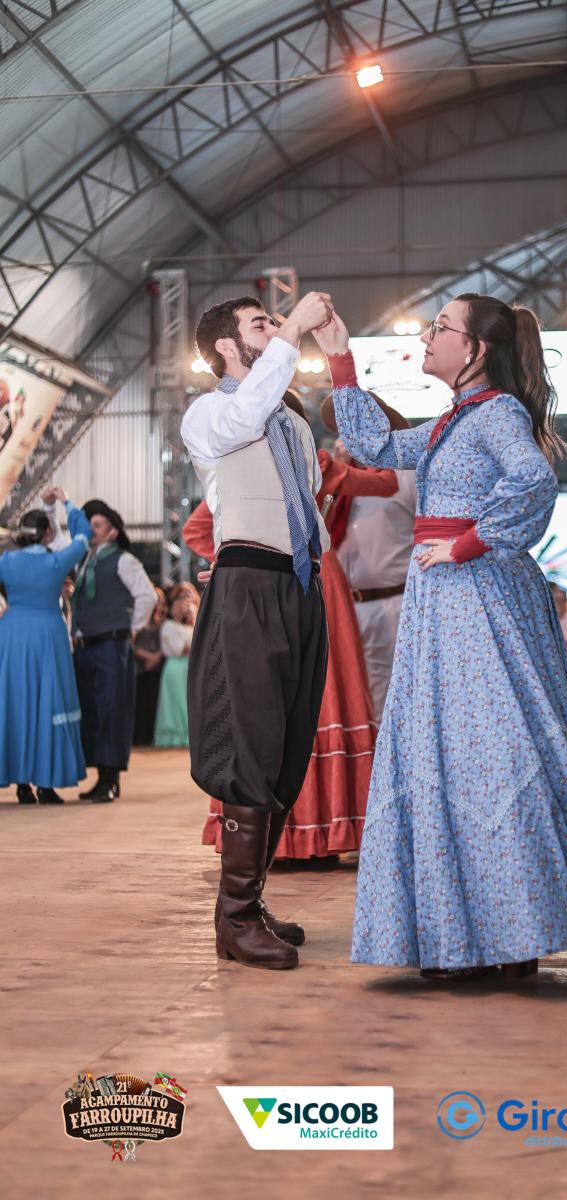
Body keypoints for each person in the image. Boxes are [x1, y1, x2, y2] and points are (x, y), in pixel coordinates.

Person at [313, 292, 567, 980]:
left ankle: (504, 933)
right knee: (455, 750)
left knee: (487, 749)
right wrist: (340, 358)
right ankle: (483, 934)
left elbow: (534, 482)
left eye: (440, 328)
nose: (427, 338)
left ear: (475, 349)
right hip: (448, 598)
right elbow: (375, 446)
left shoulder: (496, 414)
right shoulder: (452, 421)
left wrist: (467, 543)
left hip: (477, 595)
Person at [181, 292, 332, 970]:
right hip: (247, 583)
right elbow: (245, 416)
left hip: (299, 584)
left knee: (287, 748)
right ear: (225, 346)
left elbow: (308, 496)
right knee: (250, 743)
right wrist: (295, 331)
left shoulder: (291, 419)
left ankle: (252, 900)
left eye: (275, 321)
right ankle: (234, 917)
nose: (273, 330)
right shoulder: (209, 411)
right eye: (260, 324)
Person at [184, 389, 390, 861]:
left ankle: (266, 852)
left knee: (258, 702)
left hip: (260, 578)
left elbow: (196, 528)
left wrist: (231, 559)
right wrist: (361, 450)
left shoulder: (238, 463)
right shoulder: (316, 461)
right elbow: (384, 485)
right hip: (314, 575)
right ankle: (320, 835)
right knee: (317, 697)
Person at [320, 397, 417, 723]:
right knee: (351, 698)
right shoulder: (334, 482)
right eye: (343, 428)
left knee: (397, 694)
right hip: (344, 607)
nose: (347, 435)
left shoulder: (404, 474)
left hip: (395, 602)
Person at [0, 488, 90, 804]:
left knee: (15, 703)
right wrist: (66, 502)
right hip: (48, 635)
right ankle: (47, 784)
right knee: (49, 703)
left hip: (11, 635)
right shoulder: (57, 561)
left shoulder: (6, 561)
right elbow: (84, 533)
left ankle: (22, 784)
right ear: (48, 532)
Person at [71, 499, 156, 802]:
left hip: (111, 644)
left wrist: (130, 628)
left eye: (97, 525)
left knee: (111, 709)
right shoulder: (84, 561)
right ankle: (103, 776)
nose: (91, 530)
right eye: (89, 525)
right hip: (87, 646)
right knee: (93, 710)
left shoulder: (123, 560)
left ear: (112, 532)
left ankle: (110, 778)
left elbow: (147, 596)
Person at [153, 583, 198, 748]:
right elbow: (182, 648)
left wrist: (193, 620)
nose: (184, 605)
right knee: (177, 703)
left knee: (189, 702)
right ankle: (175, 737)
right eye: (179, 600)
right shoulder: (168, 626)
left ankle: (190, 736)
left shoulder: (192, 625)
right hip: (175, 667)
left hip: (190, 667)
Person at [133, 587, 166, 745]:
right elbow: (131, 644)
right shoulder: (137, 621)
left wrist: (157, 657)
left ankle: (150, 738)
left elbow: (167, 643)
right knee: (139, 705)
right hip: (139, 669)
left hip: (157, 669)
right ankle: (138, 739)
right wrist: (149, 657)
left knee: (154, 703)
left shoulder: (163, 623)